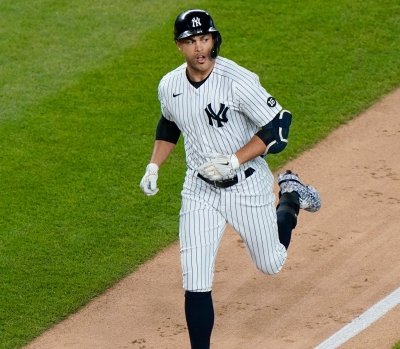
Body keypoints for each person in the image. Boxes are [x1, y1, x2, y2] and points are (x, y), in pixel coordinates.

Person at [139, 8, 321, 349]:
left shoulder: (236, 80)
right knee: (195, 278)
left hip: (247, 184)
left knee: (271, 264)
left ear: (214, 39)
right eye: (191, 41)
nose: (199, 48)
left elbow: (278, 126)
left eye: (205, 38)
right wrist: (154, 166)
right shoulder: (170, 85)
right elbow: (169, 123)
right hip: (198, 189)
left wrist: (233, 160)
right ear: (179, 46)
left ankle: (291, 195)